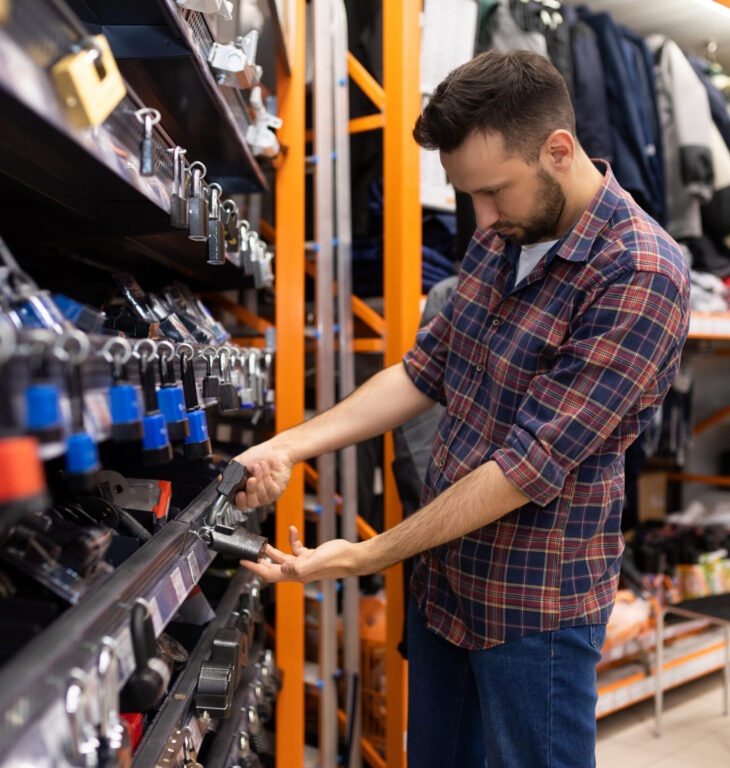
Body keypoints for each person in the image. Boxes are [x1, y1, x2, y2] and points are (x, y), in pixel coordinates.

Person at [234, 49, 690, 768]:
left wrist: (365, 555)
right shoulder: (503, 233)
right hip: (444, 584)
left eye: (494, 192)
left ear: (559, 150)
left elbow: (524, 467)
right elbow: (424, 371)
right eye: (467, 195)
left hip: (533, 611)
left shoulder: (640, 275)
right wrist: (289, 445)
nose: (481, 217)